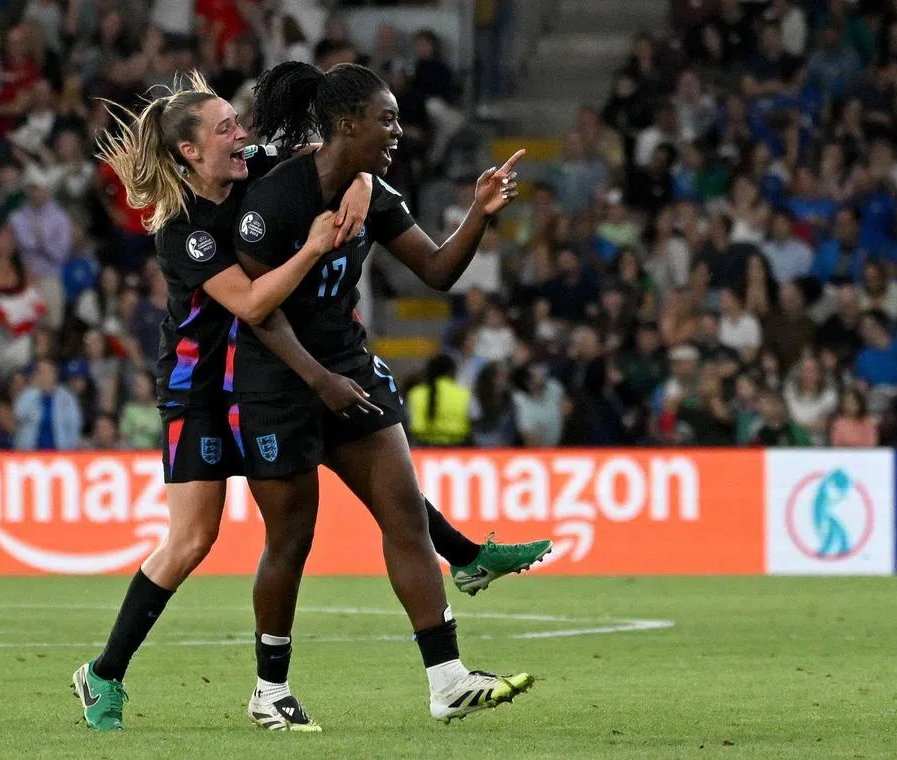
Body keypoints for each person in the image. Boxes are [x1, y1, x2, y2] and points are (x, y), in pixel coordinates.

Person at [72, 72, 550, 733]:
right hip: (201, 390)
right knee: (193, 539)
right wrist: (319, 245)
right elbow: (253, 303)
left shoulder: (256, 169)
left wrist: (363, 182)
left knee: (388, 493)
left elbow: (333, 156)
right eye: (225, 128)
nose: (242, 134)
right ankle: (105, 672)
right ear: (189, 152)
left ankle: (460, 587)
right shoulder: (185, 231)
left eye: (238, 122)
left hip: (272, 368)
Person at [230, 61, 537, 730]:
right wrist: (318, 381)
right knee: (291, 538)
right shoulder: (274, 200)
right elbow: (257, 311)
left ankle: (448, 681)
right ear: (346, 125)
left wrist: (479, 214)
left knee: (405, 515)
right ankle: (269, 690)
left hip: (347, 364)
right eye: (387, 120)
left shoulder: (375, 192)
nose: (399, 131)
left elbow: (437, 270)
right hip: (278, 379)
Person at [407, 354, 471, 446]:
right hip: (457, 447)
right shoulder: (464, 393)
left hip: (422, 447)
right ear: (451, 371)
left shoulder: (415, 393)